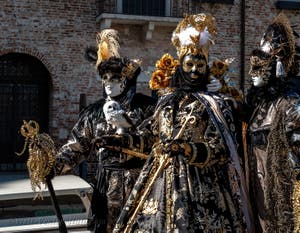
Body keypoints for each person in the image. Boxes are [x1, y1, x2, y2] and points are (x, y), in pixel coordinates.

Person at [108, 13, 254, 233]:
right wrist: (120, 140)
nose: (195, 70)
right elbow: (150, 137)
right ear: (181, 65)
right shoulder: (166, 102)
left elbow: (221, 150)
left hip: (201, 187)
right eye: (190, 64)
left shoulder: (214, 105)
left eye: (200, 65)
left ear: (206, 67)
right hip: (160, 181)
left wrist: (187, 149)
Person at [53, 29, 156, 233]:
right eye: (105, 79)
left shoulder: (146, 108)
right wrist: (55, 165)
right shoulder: (94, 112)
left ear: (126, 81)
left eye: (115, 79)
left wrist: (130, 136)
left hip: (139, 185)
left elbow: (156, 141)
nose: (109, 84)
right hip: (106, 187)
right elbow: (78, 145)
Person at [244, 13, 300, 233]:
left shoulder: (293, 107)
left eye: (258, 67)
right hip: (257, 196)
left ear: (277, 66)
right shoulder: (256, 108)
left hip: (283, 198)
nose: (251, 73)